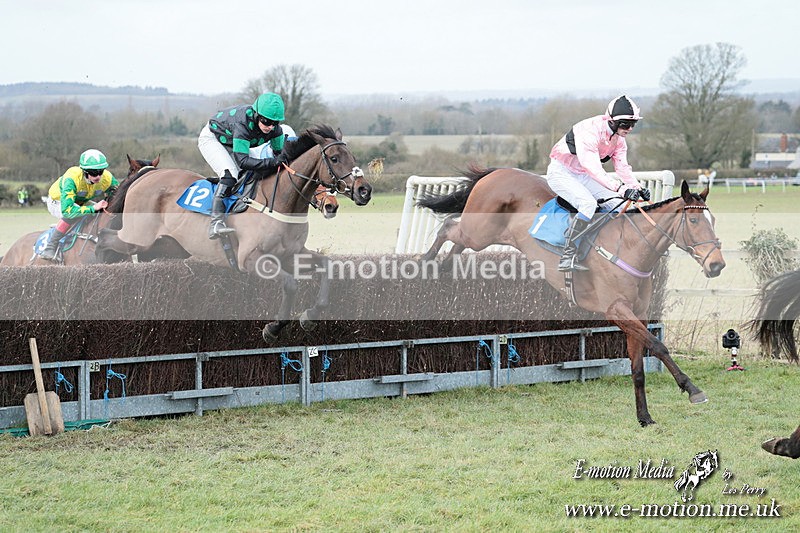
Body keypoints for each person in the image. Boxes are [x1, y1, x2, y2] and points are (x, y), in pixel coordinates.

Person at [546, 95, 650, 272]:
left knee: (621, 205)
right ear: (612, 121)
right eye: (625, 124)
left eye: (633, 124)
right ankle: (567, 255)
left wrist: (637, 187)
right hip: (561, 172)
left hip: (582, 175)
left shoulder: (619, 140)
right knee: (588, 204)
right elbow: (593, 169)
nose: (630, 128)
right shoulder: (589, 131)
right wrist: (620, 188)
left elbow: (623, 168)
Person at [198, 92, 288, 239]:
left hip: (235, 142)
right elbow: (243, 161)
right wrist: (271, 162)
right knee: (230, 175)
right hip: (213, 139)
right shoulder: (243, 124)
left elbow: (280, 157)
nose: (270, 127)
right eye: (266, 121)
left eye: (274, 123)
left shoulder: (276, 130)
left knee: (258, 171)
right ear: (257, 115)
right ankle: (216, 223)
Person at [39, 149, 119, 260]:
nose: (98, 177)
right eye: (94, 172)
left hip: (81, 200)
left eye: (101, 171)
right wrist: (92, 208)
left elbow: (116, 192)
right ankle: (50, 247)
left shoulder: (107, 178)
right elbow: (68, 211)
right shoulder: (71, 178)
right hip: (58, 202)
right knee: (77, 214)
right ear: (84, 171)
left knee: (100, 212)